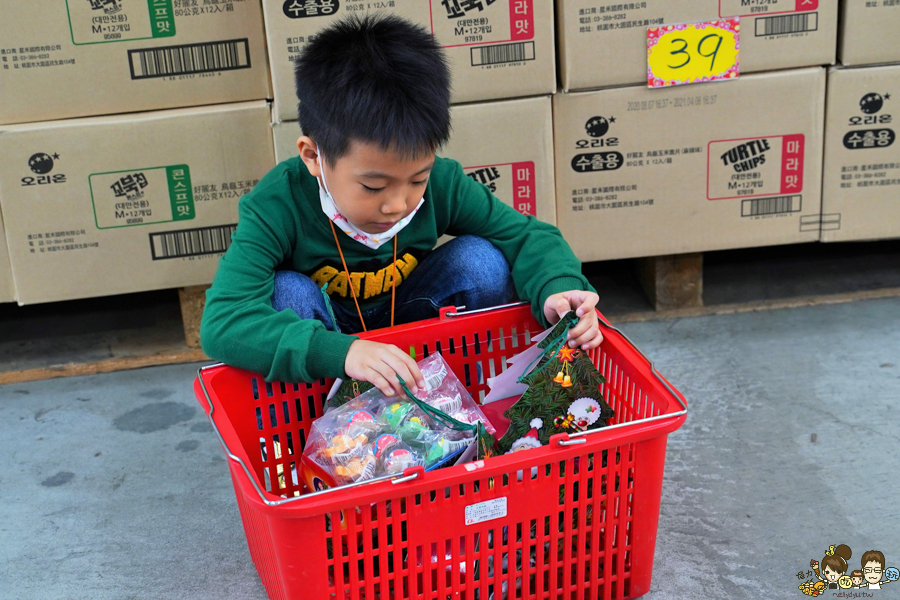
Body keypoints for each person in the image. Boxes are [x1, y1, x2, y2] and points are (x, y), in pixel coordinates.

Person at [200, 14, 602, 395]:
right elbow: (224, 322)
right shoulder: (279, 202)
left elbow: (528, 235)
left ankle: (463, 395)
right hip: (325, 339)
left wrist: (558, 290)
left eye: (416, 180)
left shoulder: (443, 183)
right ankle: (309, 424)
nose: (397, 204)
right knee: (285, 294)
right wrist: (342, 353)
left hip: (410, 323)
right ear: (313, 157)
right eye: (373, 186)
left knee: (480, 262)